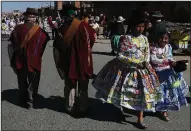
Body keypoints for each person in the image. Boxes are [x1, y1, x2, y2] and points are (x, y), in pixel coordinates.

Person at [92, 10, 162, 129]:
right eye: (138, 26)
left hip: (143, 70)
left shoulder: (144, 38)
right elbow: (120, 55)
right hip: (126, 70)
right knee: (123, 91)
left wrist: (145, 61)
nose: (140, 29)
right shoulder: (125, 38)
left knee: (143, 94)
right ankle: (120, 108)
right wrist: (135, 63)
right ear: (133, 26)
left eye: (142, 27)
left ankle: (140, 119)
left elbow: (147, 52)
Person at [53, 4, 96, 117]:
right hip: (83, 61)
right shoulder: (85, 26)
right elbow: (92, 38)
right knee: (83, 85)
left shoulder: (62, 28)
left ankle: (69, 106)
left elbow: (58, 46)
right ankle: (83, 107)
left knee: (69, 84)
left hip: (69, 61)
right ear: (75, 14)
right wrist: (85, 50)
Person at [9, 8, 50, 109]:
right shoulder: (40, 31)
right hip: (34, 60)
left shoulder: (17, 29)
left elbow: (12, 43)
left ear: (26, 17)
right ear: (34, 18)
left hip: (20, 60)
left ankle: (22, 100)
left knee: (22, 80)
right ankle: (30, 102)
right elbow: (45, 42)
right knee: (33, 81)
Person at [150, 31, 189, 121]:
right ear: (158, 38)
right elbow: (153, 59)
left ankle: (164, 111)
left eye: (166, 38)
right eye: (161, 38)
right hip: (157, 72)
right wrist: (166, 61)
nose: (163, 40)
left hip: (168, 71)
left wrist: (173, 62)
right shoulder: (154, 48)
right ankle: (155, 107)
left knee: (168, 92)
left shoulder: (169, 47)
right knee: (159, 92)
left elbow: (170, 57)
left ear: (168, 39)